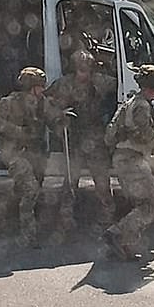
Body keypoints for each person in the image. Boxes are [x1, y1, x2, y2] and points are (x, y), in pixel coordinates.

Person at [0, 67, 63, 246]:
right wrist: (18, 132)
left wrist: (61, 119)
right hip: (15, 153)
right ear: (31, 87)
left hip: (36, 153)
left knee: (25, 189)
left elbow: (52, 118)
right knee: (31, 189)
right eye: (39, 86)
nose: (42, 90)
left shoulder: (42, 102)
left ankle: (4, 217)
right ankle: (28, 235)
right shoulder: (10, 102)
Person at [101, 65, 154, 260]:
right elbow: (142, 135)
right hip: (131, 161)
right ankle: (116, 234)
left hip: (127, 159)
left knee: (141, 204)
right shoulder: (141, 106)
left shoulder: (132, 102)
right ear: (151, 85)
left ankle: (125, 244)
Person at [49, 50, 118, 231]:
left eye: (87, 70)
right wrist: (59, 116)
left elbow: (120, 84)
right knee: (71, 179)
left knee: (102, 178)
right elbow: (47, 103)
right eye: (80, 70)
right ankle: (66, 215)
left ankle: (107, 214)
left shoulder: (101, 81)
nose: (84, 74)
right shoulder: (64, 84)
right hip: (74, 137)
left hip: (95, 137)